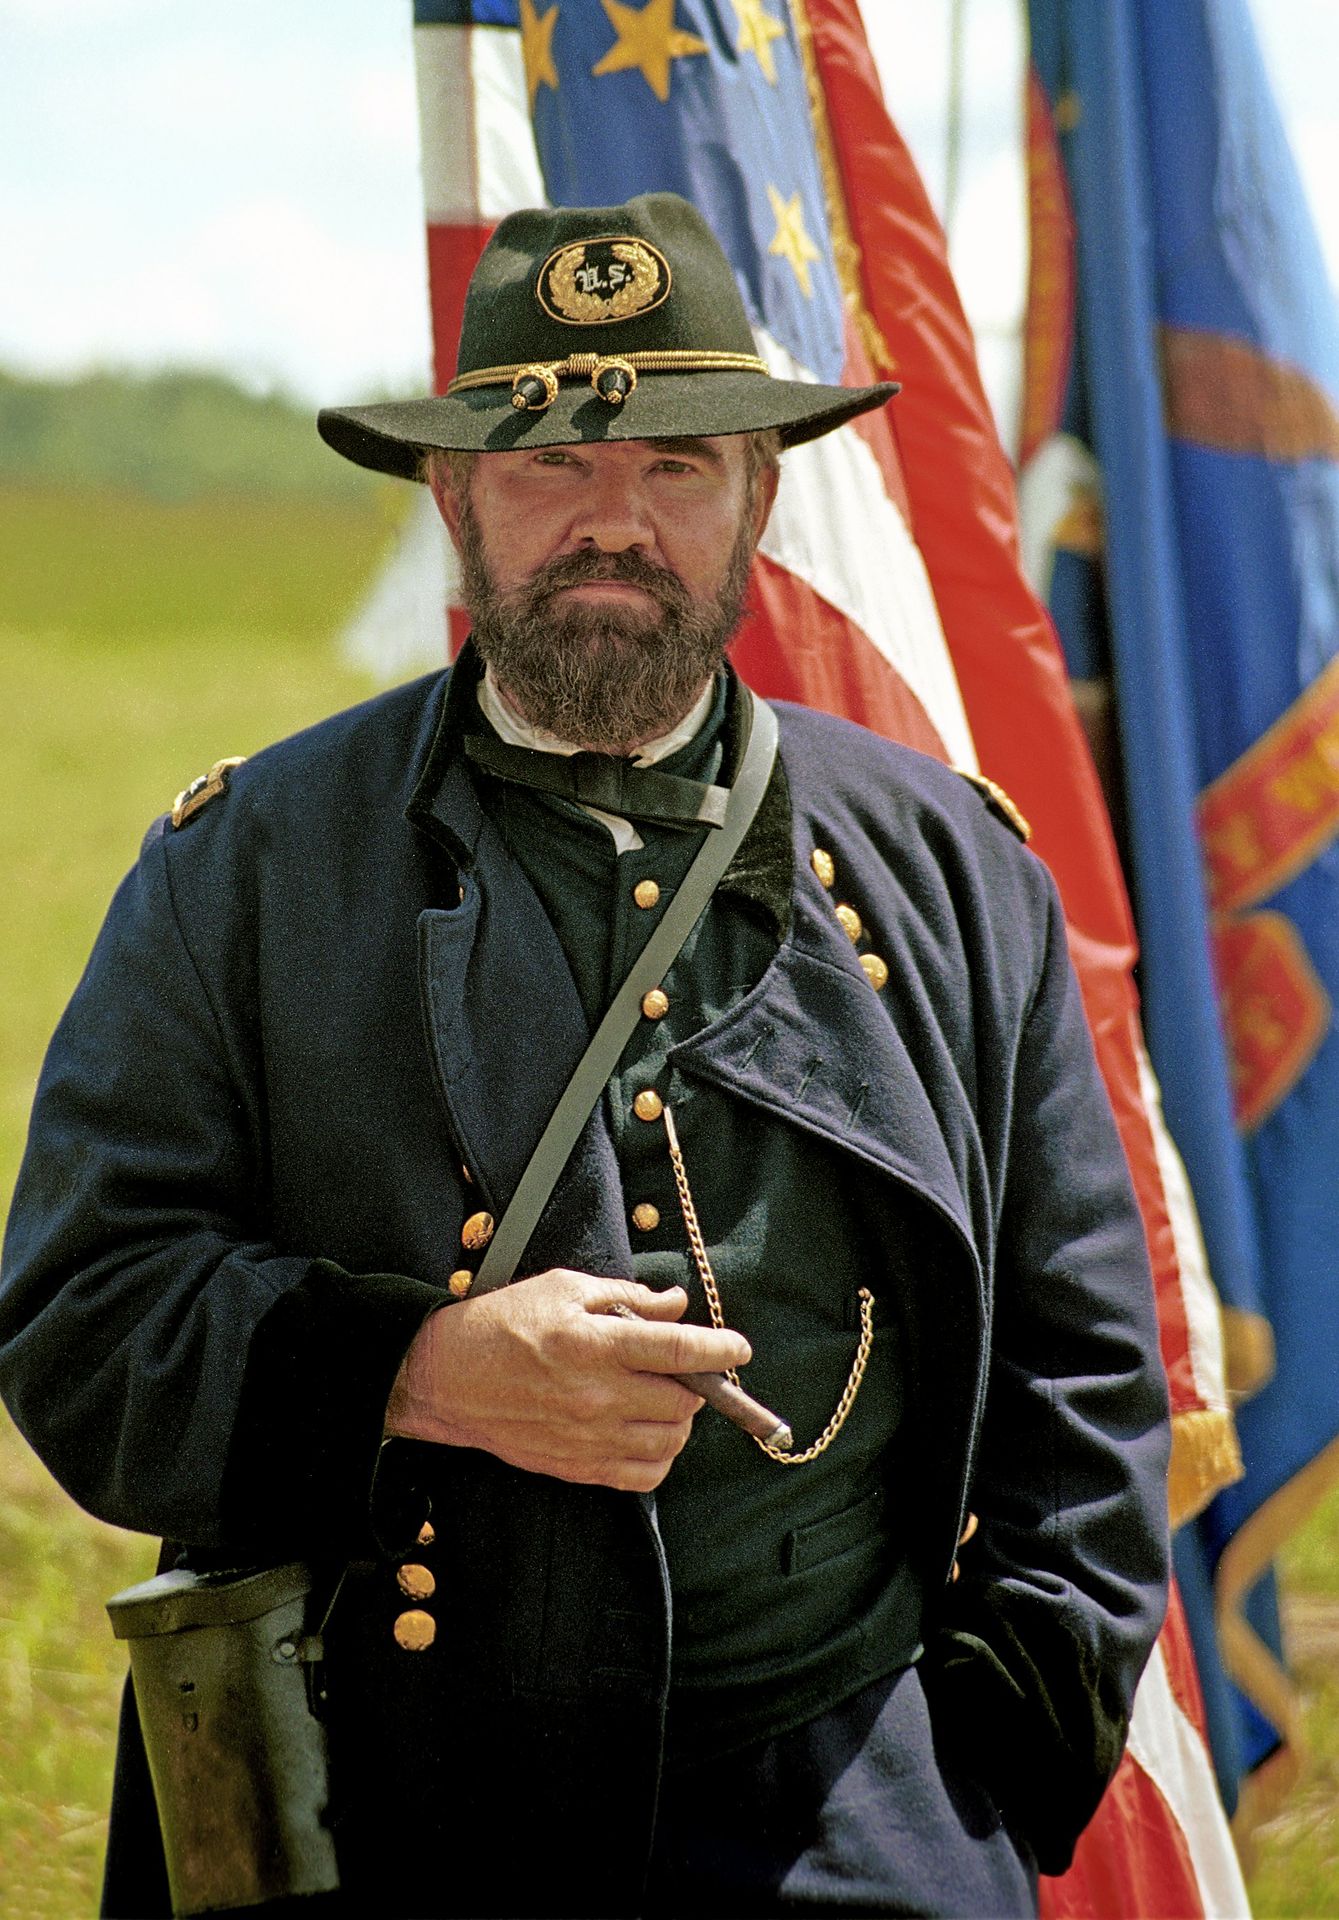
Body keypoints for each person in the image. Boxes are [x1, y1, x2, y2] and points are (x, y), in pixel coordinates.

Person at [0, 193, 1170, 1919]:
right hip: (397, 1810)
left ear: (758, 501)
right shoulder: (242, 870)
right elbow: (84, 1318)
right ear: (454, 496)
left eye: (679, 469)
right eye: (552, 470)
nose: (613, 524)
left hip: (860, 1809)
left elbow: (1085, 1364)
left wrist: (983, 1776)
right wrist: (415, 1369)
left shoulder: (950, 864)